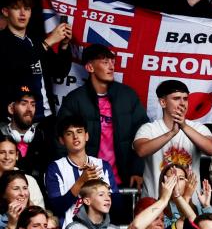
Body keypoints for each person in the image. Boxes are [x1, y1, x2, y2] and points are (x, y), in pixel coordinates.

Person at [58, 44, 148, 188]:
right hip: (87, 182)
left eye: (112, 62)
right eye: (105, 62)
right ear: (90, 68)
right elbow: (61, 140)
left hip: (124, 182)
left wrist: (137, 170)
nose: (111, 67)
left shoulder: (128, 96)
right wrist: (72, 175)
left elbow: (143, 135)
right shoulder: (75, 99)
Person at [133, 80, 212, 198]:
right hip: (156, 206)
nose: (182, 103)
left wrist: (184, 127)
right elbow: (141, 151)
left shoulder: (198, 128)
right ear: (163, 102)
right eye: (176, 98)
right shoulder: (149, 129)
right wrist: (171, 133)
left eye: (185, 98)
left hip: (190, 205)